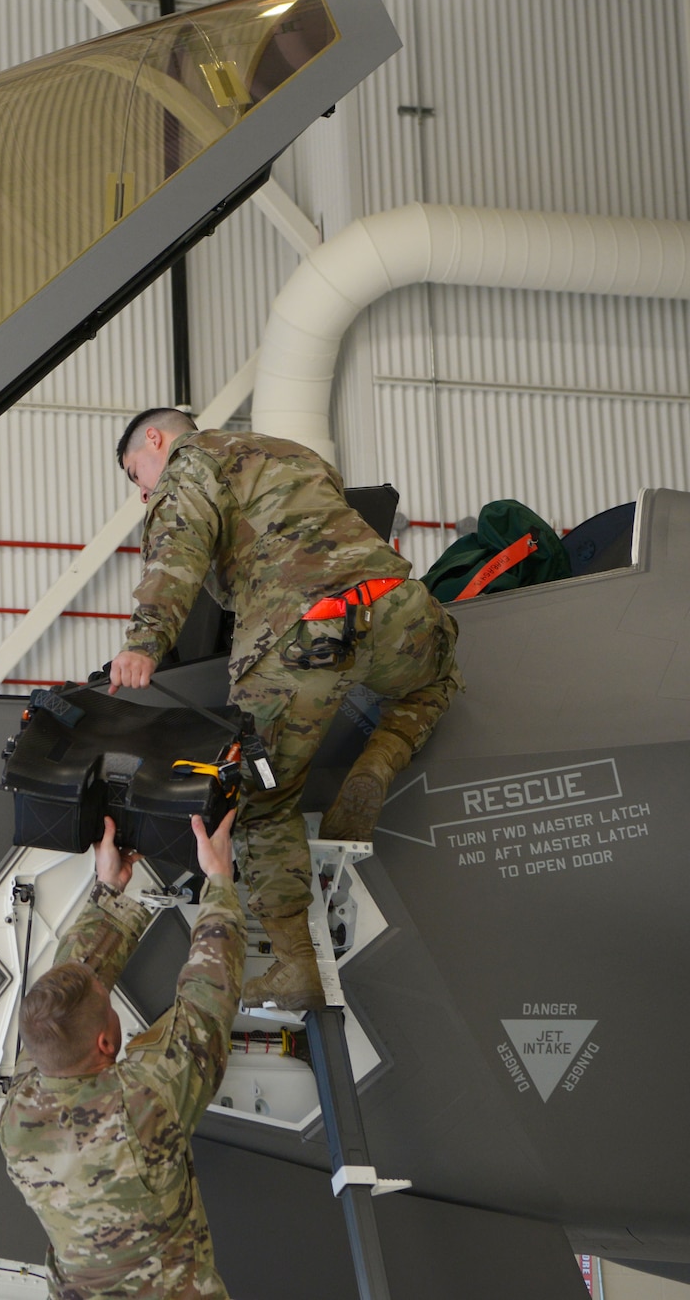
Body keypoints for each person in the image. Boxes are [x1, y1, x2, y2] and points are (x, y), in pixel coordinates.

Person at [105, 408, 462, 1010]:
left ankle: (296, 965)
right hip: (401, 607)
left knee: (261, 797)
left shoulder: (190, 461)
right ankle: (378, 764)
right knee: (440, 676)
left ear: (157, 439)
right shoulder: (290, 450)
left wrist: (143, 645)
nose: (143, 491)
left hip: (302, 638)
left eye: (135, 472)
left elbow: (177, 553)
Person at [0, 811, 246, 1300]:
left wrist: (107, 893)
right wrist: (219, 878)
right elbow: (206, 1003)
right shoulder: (141, 1106)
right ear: (105, 1044)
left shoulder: (19, 1119)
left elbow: (63, 1000)